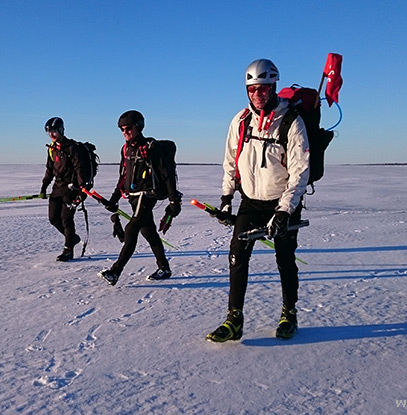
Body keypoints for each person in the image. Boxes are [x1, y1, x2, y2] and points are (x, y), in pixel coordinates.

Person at [206, 59, 310, 342]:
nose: (257, 95)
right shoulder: (240, 121)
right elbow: (230, 162)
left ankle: (289, 312)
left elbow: (300, 171)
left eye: (263, 89)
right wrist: (226, 198)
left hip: (281, 201)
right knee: (237, 257)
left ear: (274, 86)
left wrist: (285, 210)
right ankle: (234, 319)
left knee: (285, 259)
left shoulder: (291, 121)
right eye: (252, 90)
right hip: (250, 201)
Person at [97, 110, 182, 285]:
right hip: (133, 196)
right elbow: (123, 176)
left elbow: (167, 175)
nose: (125, 132)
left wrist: (174, 200)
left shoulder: (151, 147)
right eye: (121, 129)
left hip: (147, 195)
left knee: (131, 230)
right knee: (148, 232)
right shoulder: (126, 149)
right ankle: (164, 267)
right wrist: (114, 199)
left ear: (138, 127)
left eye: (128, 128)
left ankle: (115, 271)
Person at [40, 117, 93, 262]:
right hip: (57, 187)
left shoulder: (72, 147)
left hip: (71, 188)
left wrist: (82, 188)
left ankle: (68, 249)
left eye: (54, 131)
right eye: (49, 132)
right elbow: (49, 170)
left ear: (61, 130)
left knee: (66, 219)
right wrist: (44, 187)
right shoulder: (52, 149)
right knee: (53, 218)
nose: (52, 135)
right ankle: (73, 239)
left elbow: (79, 168)